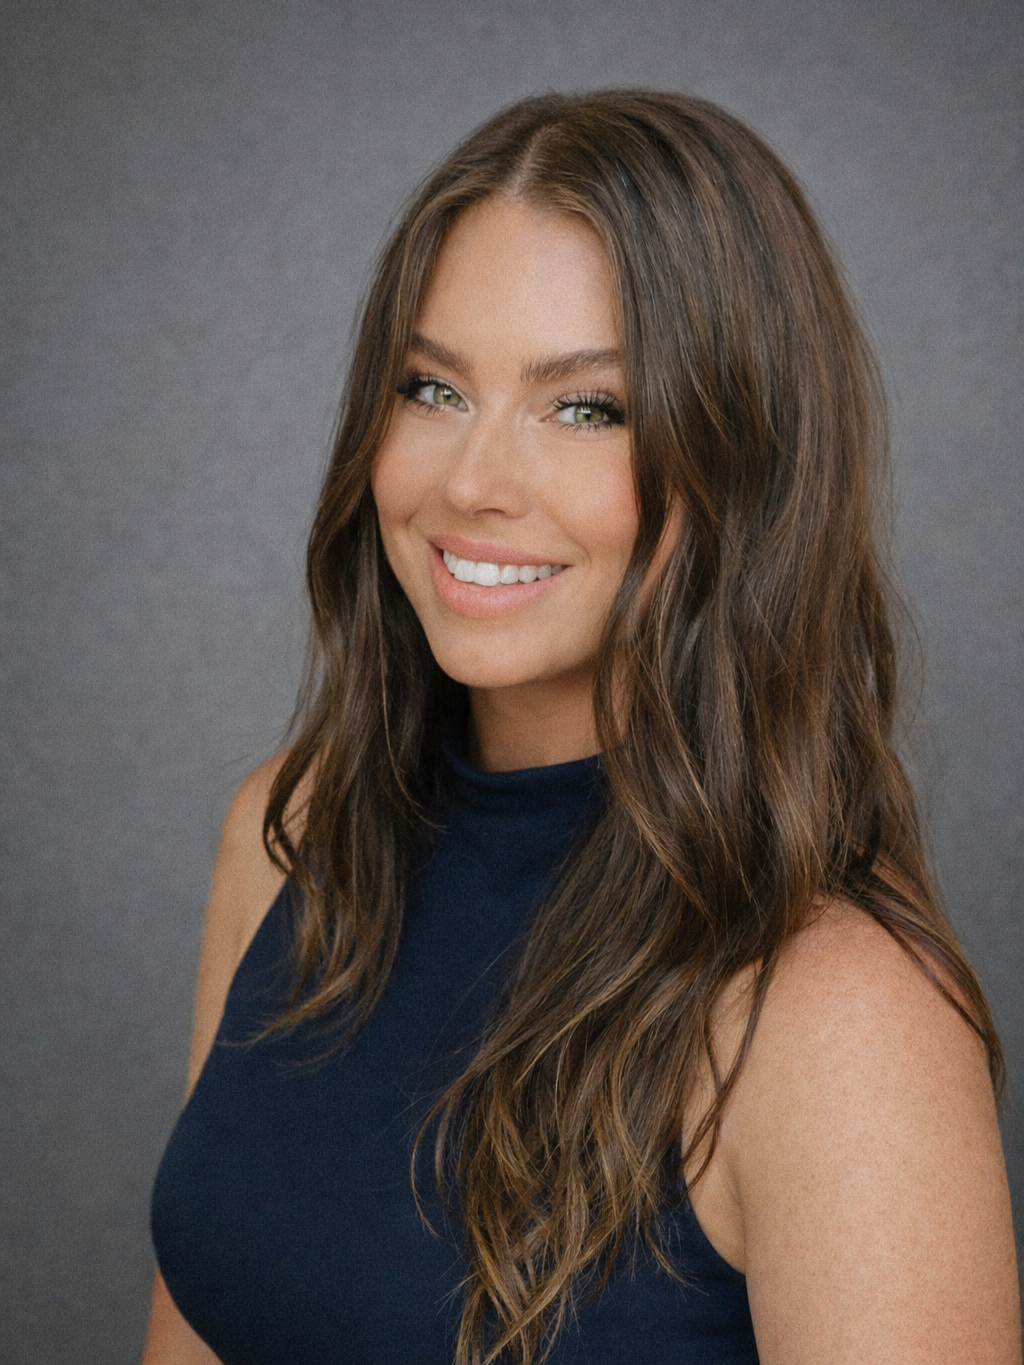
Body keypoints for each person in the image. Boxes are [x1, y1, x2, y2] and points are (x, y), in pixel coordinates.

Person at [141, 91, 1020, 1365]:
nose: (470, 483)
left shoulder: (834, 1009)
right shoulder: (295, 832)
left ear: (744, 463)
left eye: (586, 408)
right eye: (432, 388)